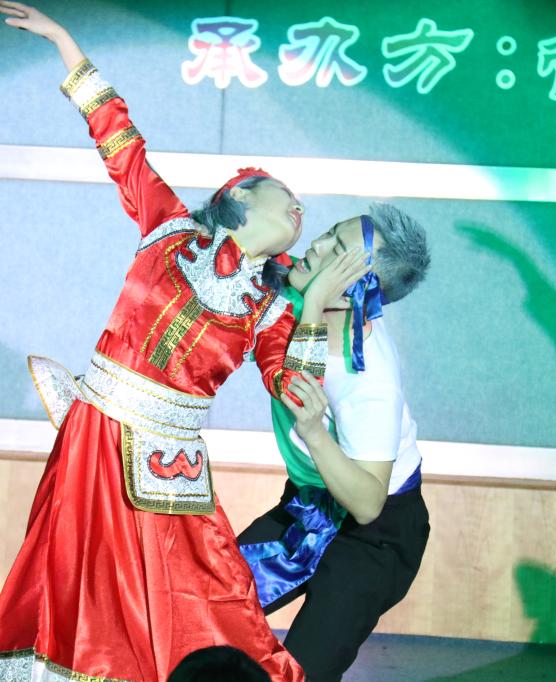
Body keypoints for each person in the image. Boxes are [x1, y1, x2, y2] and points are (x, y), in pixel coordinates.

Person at [0, 3, 370, 681]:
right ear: (242, 198)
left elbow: (295, 389)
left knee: (204, 592)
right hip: (97, 434)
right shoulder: (169, 229)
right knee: (76, 589)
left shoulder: (271, 306)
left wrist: (314, 306)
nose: (298, 209)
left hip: (170, 463)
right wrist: (66, 46)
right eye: (284, 196)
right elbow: (120, 141)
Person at [238, 205, 432, 681]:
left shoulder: (368, 379)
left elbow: (367, 502)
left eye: (337, 251)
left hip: (375, 534)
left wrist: (314, 432)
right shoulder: (294, 300)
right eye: (327, 234)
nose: (316, 246)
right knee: (201, 604)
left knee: (302, 672)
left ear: (358, 289)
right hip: (311, 505)